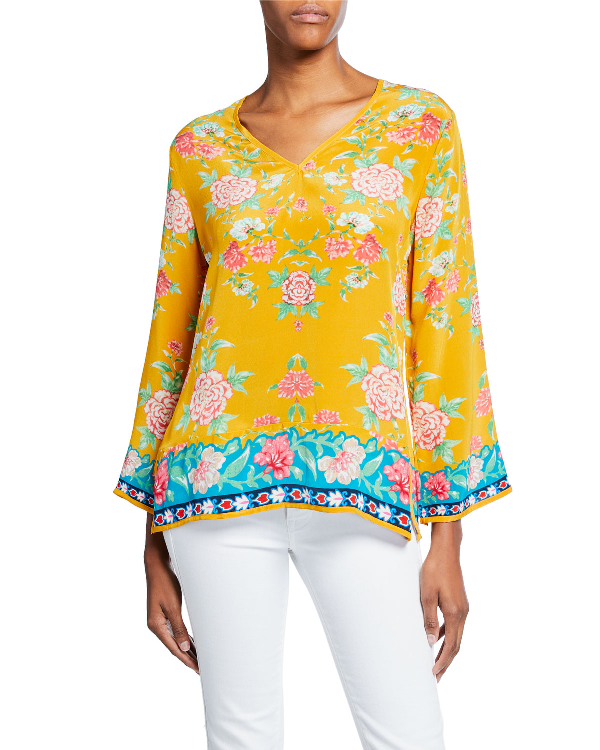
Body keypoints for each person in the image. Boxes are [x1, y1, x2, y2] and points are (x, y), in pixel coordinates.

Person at [113, 2, 512, 748]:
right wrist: (151, 540)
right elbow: (173, 336)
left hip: (366, 483)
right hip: (209, 484)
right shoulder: (199, 148)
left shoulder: (419, 128)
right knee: (241, 736)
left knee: (407, 732)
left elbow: (447, 321)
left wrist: (449, 536)